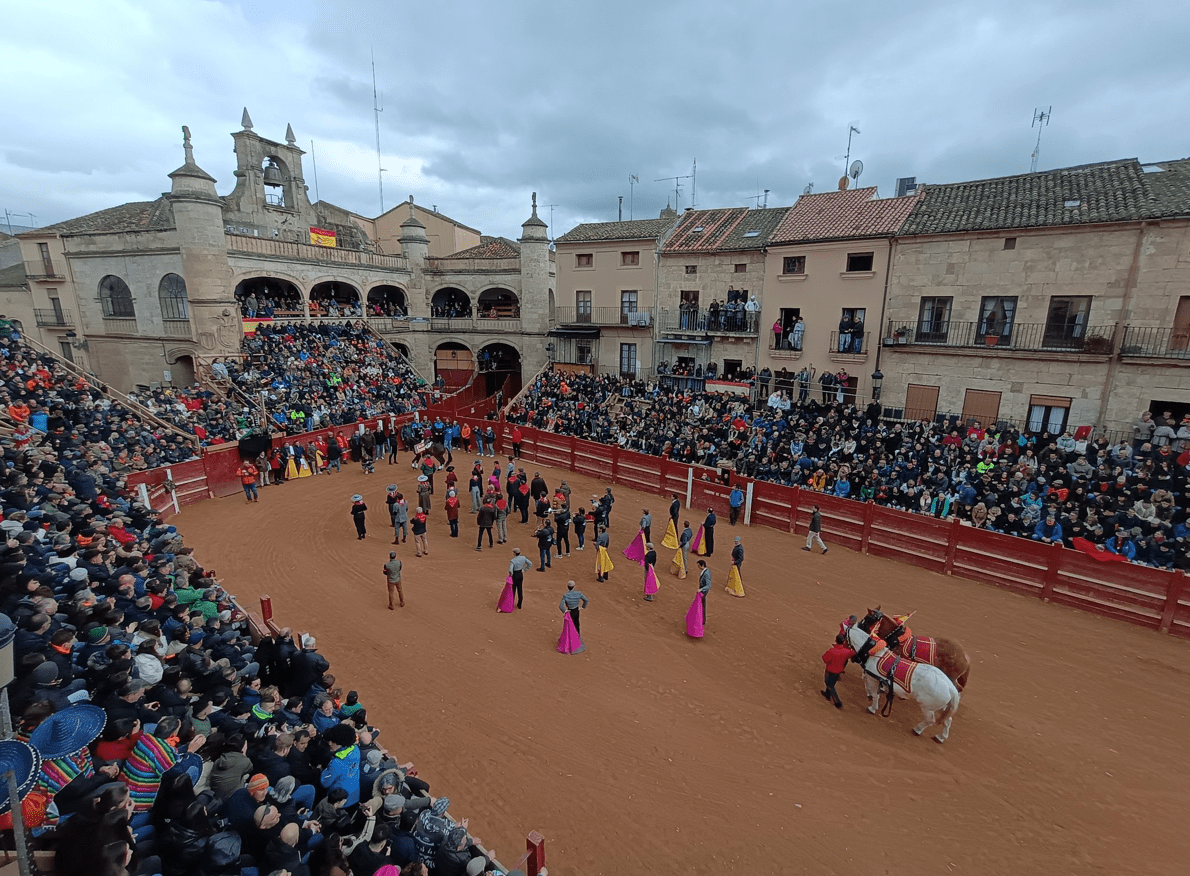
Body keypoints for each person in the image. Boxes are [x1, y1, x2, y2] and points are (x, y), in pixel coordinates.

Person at [821, 633, 856, 708]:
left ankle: (838, 702)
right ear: (843, 642)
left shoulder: (832, 651)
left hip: (830, 671)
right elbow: (853, 653)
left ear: (836, 641)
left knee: (830, 685)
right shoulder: (846, 651)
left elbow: (825, 659)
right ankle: (827, 694)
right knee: (832, 684)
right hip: (838, 672)